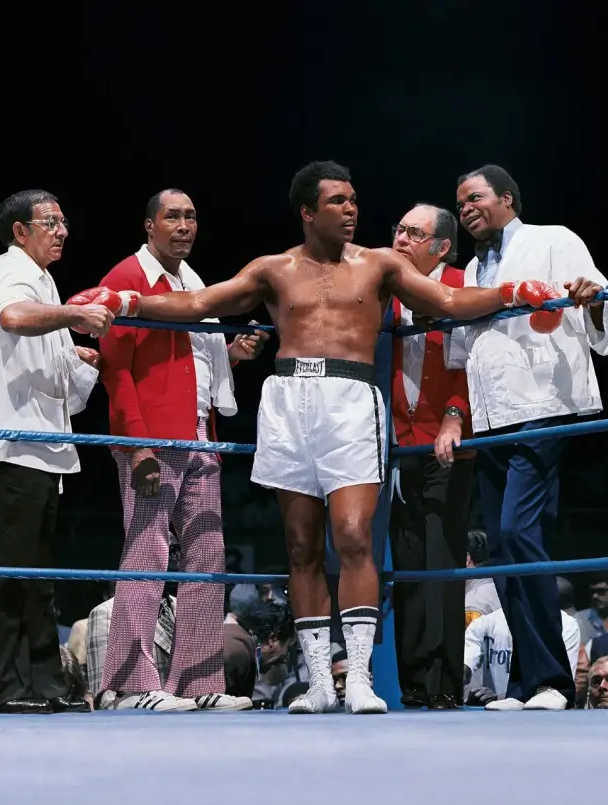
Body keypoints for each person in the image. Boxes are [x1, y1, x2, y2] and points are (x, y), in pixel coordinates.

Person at [69, 160, 580, 715]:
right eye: (338, 201)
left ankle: (357, 677)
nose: (352, 209)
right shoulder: (274, 268)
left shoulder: (380, 265)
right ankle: (318, 682)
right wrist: (128, 302)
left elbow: (451, 303)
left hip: (352, 399)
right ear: (309, 211)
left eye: (354, 199)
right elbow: (199, 304)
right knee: (301, 545)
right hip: (289, 399)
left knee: (355, 536)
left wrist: (512, 292)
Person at [446, 164, 608, 711]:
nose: (466, 209)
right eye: (459, 203)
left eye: (474, 197)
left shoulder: (554, 240)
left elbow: (603, 305)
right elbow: (464, 348)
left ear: (507, 198)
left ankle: (551, 679)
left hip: (543, 406)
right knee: (504, 547)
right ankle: (529, 683)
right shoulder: (476, 268)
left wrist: (592, 297)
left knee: (516, 533)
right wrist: (459, 414)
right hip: (492, 415)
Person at [91, 189, 267, 712]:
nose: (185, 225)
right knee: (147, 552)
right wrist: (138, 445)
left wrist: (230, 356)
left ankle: (196, 682)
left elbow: (189, 368)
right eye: (173, 216)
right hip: (152, 439)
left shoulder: (193, 284)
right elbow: (116, 370)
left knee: (207, 557)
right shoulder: (125, 280)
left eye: (192, 216)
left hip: (199, 434)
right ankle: (127, 683)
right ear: (149, 225)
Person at [0, 189, 113, 714]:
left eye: (64, 220)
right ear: (21, 231)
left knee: (37, 573)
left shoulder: (42, 279)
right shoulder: (11, 269)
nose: (62, 230)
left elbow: (50, 357)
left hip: (37, 446)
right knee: (14, 569)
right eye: (49, 222)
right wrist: (73, 317)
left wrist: (77, 349)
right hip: (11, 443)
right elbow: (15, 318)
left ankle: (44, 685)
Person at [388, 203, 476, 709]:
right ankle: (413, 684)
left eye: (413, 233)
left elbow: (477, 360)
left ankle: (444, 682)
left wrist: (455, 413)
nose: (400, 239)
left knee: (442, 557)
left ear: (441, 246)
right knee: (407, 562)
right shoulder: (387, 289)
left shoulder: (464, 283)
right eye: (397, 229)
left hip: (449, 439)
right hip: (399, 441)